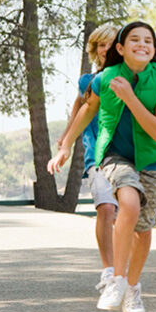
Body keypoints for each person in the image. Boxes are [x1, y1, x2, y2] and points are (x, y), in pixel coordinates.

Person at [49, 20, 156, 312]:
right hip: (114, 155)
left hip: (151, 159)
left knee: (143, 230)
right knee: (129, 204)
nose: (142, 45)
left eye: (148, 41)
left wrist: (130, 99)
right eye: (134, 40)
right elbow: (88, 108)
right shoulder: (105, 77)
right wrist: (66, 144)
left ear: (154, 48)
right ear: (120, 49)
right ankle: (117, 280)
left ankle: (133, 288)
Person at [54, 24, 118, 295]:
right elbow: (81, 107)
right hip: (98, 156)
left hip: (129, 156)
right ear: (95, 50)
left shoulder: (131, 79)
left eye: (112, 43)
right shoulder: (87, 81)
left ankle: (124, 270)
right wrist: (66, 141)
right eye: (101, 45)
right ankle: (110, 271)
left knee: (129, 217)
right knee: (105, 209)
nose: (106, 49)